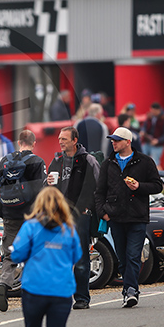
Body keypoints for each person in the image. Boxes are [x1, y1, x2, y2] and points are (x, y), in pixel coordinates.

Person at [10, 186, 82, 327]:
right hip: (61, 291)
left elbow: (17, 254)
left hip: (35, 290)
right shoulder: (69, 229)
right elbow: (77, 256)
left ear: (39, 204)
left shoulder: (31, 226)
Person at [94, 127, 162, 308]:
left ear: (128, 142)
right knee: (122, 257)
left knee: (133, 255)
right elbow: (99, 192)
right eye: (112, 140)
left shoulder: (145, 161)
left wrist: (139, 186)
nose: (113, 143)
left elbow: (157, 186)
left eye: (117, 140)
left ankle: (131, 290)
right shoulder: (108, 164)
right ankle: (128, 289)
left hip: (137, 217)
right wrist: (103, 213)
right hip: (115, 217)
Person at [45, 126, 100, 310]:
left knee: (81, 258)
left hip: (80, 215)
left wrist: (87, 208)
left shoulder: (88, 160)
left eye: (65, 139)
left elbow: (98, 187)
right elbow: (48, 188)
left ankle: (82, 298)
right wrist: (48, 183)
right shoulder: (56, 161)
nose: (60, 142)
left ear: (75, 140)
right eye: (60, 139)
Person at [0, 130, 46, 312]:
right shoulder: (37, 161)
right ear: (34, 143)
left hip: (9, 214)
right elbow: (41, 190)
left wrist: (2, 212)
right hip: (31, 216)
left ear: (18, 142)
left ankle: (4, 284)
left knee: (9, 254)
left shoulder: (5, 161)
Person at [140, 102, 164, 170]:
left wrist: (158, 140)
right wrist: (143, 131)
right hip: (147, 141)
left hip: (158, 144)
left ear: (158, 110)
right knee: (142, 159)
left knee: (155, 161)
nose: (152, 112)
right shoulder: (149, 117)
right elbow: (144, 126)